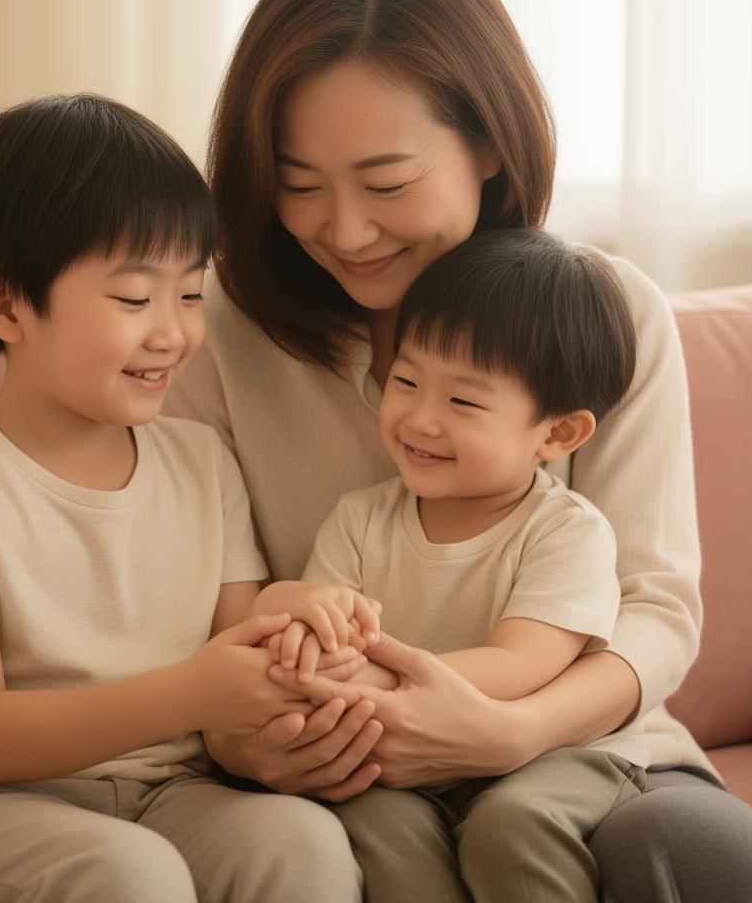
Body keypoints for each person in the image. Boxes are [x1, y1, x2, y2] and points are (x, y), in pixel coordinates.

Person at [163, 0, 752, 902]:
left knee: (707, 861)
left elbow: (657, 606)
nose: (343, 228)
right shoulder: (211, 330)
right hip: (339, 766)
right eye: (299, 185)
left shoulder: (606, 310)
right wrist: (248, 745)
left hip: (584, 748)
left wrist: (513, 727)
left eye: (386, 182)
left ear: (491, 150)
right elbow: (187, 612)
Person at [0, 93, 364, 903]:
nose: (173, 332)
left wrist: (300, 616)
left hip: (164, 792)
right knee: (132, 878)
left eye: (191, 295)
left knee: (301, 843)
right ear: (3, 303)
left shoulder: (200, 461)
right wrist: (191, 691)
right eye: (133, 299)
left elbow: (240, 627)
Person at [256, 227, 647, 901]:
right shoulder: (359, 518)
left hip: (541, 758)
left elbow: (519, 665)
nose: (420, 419)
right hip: (398, 760)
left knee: (514, 826)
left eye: (463, 401)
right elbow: (317, 632)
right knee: (376, 828)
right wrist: (295, 617)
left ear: (557, 433)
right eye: (406, 381)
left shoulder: (566, 532)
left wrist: (375, 677)